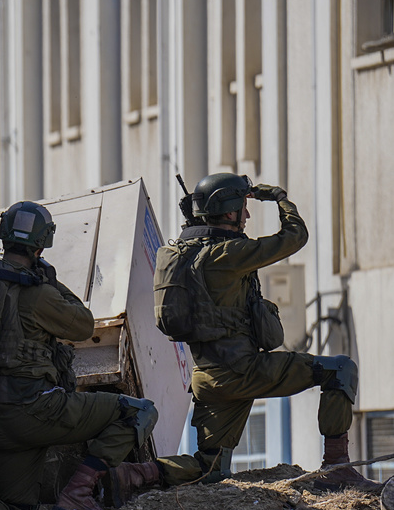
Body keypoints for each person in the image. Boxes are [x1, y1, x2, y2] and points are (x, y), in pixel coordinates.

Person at [0, 201, 163, 510]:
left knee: (17, 508)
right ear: (41, 245)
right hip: (37, 409)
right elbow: (83, 324)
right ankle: (79, 494)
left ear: (3, 237)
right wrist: (52, 280)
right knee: (139, 411)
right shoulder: (37, 293)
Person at [149, 173, 380, 491]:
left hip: (208, 377)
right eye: (242, 207)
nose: (246, 215)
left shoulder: (180, 255)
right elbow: (294, 237)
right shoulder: (226, 255)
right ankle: (337, 467)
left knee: (209, 468)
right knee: (340, 369)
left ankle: (129, 475)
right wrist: (281, 199)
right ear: (228, 212)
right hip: (244, 371)